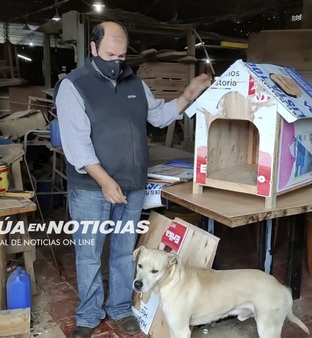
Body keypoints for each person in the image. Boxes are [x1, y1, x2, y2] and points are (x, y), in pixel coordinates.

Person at [53, 21, 211, 338]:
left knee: (126, 252)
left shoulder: (134, 83)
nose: (116, 62)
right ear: (93, 48)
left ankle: (121, 307)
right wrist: (104, 181)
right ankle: (88, 314)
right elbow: (76, 145)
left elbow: (158, 116)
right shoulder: (74, 86)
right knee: (89, 252)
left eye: (122, 56)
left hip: (133, 186)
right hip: (91, 189)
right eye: (110, 54)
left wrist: (189, 94)